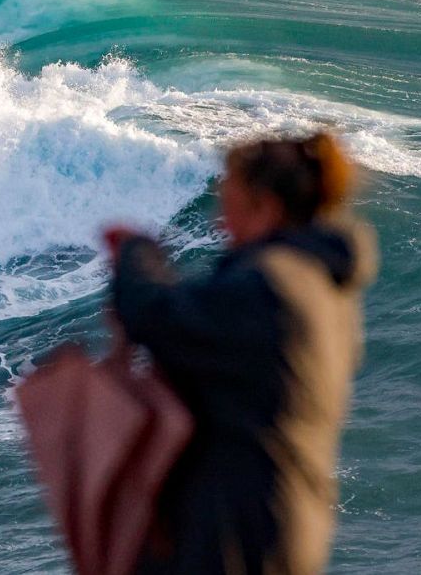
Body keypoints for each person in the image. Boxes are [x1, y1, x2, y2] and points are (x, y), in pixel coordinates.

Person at [102, 132, 378, 575]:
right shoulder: (326, 290)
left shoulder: (269, 288)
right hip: (286, 527)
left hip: (237, 541)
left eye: (229, 207)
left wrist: (136, 255)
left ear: (266, 208)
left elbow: (156, 316)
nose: (218, 225)